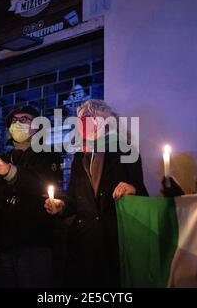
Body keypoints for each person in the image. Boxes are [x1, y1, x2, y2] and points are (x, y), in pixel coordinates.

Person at [44, 99, 148, 288]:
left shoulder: (126, 151)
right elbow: (73, 199)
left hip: (116, 239)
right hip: (84, 242)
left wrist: (132, 189)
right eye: (81, 119)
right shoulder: (79, 157)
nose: (84, 123)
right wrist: (61, 205)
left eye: (90, 118)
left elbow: (142, 193)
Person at [0, 105, 61, 288]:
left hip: (34, 240)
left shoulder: (48, 154)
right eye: (14, 121)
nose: (18, 123)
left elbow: (42, 183)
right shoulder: (4, 156)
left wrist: (10, 173)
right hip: (2, 240)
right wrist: (20, 183)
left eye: (24, 119)